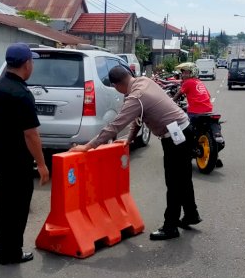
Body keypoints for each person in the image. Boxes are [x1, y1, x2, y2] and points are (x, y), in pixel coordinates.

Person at [69, 66, 201, 240]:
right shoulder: (144, 82)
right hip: (185, 129)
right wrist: (130, 138)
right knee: (183, 177)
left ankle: (170, 227)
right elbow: (139, 117)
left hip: (175, 137)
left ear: (116, 85)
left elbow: (116, 125)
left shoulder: (136, 97)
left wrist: (88, 146)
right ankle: (191, 214)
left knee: (174, 182)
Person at [0, 43, 50, 265]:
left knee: (4, 202)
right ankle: (11, 252)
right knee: (19, 206)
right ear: (26, 64)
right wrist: (41, 165)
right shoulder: (22, 94)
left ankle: (3, 246)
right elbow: (31, 134)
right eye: (31, 61)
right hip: (17, 159)